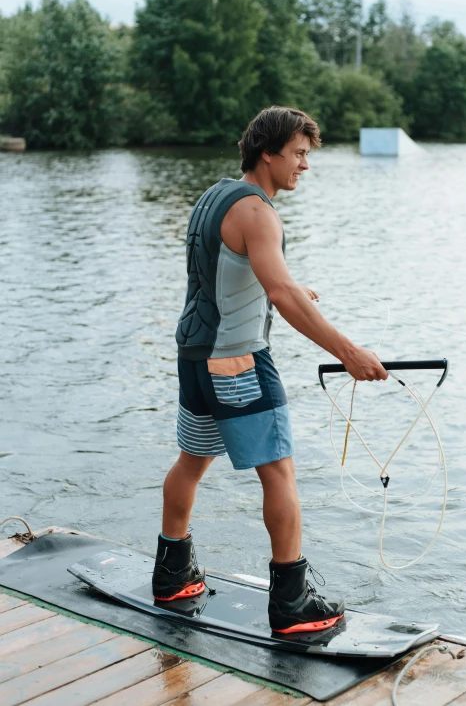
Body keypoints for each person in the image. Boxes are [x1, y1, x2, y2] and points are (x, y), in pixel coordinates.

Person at [152, 106, 388, 634]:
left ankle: (172, 574)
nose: (305, 165)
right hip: (238, 361)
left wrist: (285, 286)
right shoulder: (260, 213)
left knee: (191, 461)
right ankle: (291, 602)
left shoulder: (214, 195)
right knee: (278, 472)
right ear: (269, 151)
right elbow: (279, 292)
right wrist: (348, 351)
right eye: (300, 154)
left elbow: (224, 271)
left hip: (194, 356)